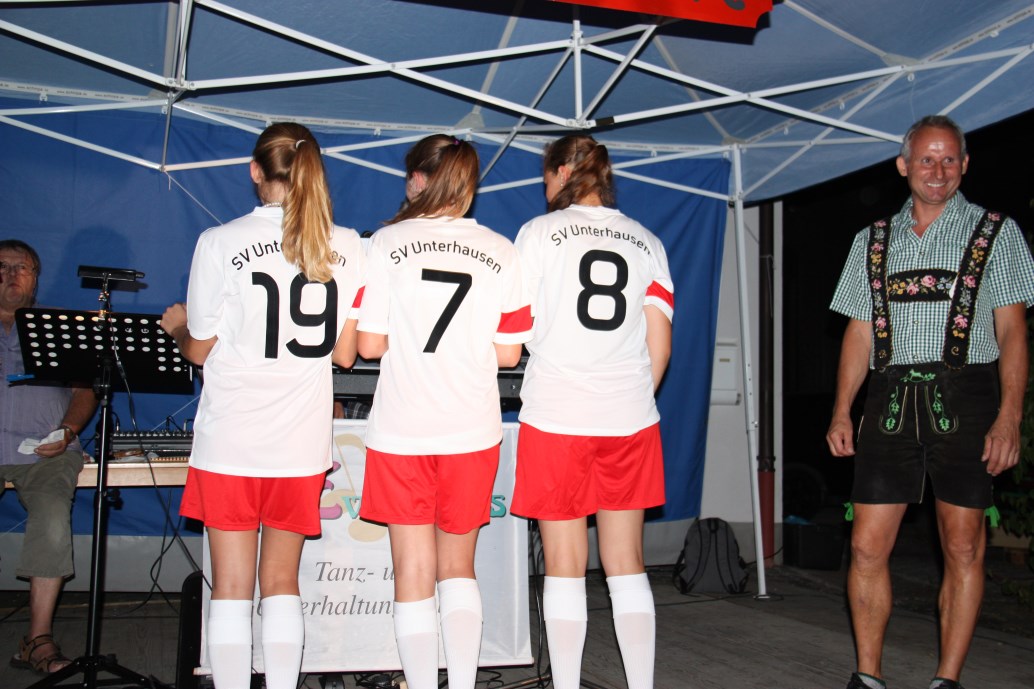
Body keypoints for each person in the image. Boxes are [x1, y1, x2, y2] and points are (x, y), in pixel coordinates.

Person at [826, 115, 1034, 689]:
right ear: (904, 165)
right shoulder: (871, 241)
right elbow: (859, 333)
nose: (937, 171)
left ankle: (946, 680)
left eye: (948, 159)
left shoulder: (996, 232)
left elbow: (1013, 331)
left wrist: (1009, 417)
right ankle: (868, 676)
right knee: (866, 545)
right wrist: (842, 408)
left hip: (967, 397)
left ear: (964, 165)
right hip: (889, 400)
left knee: (963, 547)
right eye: (926, 159)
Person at [160, 123, 365, 689]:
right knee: (282, 582)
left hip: (232, 439)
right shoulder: (349, 245)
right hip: (299, 443)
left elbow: (199, 350)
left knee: (230, 587)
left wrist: (177, 328)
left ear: (256, 171)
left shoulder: (219, 242)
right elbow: (345, 354)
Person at [357, 134, 532, 689]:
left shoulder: (386, 243)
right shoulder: (502, 250)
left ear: (418, 179)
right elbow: (510, 354)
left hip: (403, 428)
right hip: (470, 429)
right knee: (458, 567)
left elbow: (368, 346)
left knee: (412, 569)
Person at [511, 134, 674, 689]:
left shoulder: (538, 234)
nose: (544, 185)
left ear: (562, 173)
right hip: (628, 418)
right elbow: (660, 346)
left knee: (564, 564)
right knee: (626, 562)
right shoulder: (647, 241)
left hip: (557, 416)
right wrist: (629, 396)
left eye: (545, 175)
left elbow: (519, 326)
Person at [0, 239, 98, 675]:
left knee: (54, 519)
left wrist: (68, 431)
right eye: (2, 266)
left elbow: (84, 390)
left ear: (35, 277)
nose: (11, 275)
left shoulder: (55, 326)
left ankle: (37, 640)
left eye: (21, 267)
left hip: (47, 451)